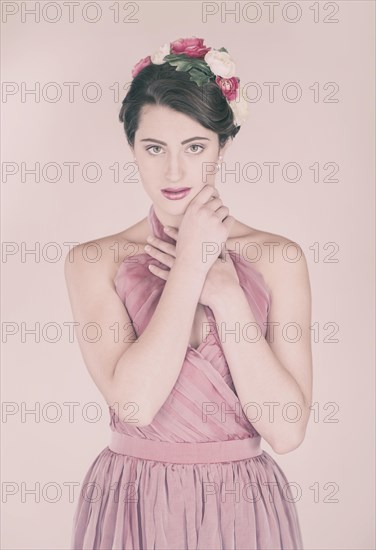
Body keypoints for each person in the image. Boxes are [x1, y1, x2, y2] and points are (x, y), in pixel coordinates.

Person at [65, 36, 312, 550]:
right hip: (132, 501)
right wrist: (191, 267)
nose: (173, 171)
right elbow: (135, 405)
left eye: (194, 146)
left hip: (245, 505)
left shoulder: (278, 258)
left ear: (224, 146)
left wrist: (226, 295)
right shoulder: (94, 262)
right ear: (131, 147)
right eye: (154, 148)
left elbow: (286, 432)